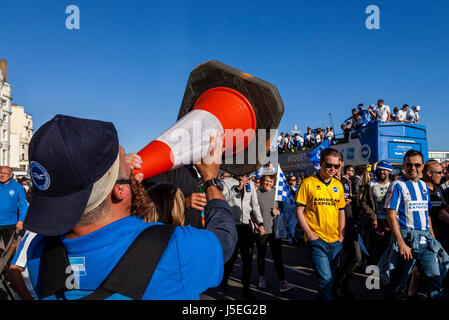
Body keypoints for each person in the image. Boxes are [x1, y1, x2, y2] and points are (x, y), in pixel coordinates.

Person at [7, 114, 237, 300]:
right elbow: (225, 239)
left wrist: (115, 176)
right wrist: (210, 180)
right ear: (120, 190)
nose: (133, 164)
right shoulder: (173, 248)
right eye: (126, 166)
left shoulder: (40, 251)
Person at [380, 150, 448, 300]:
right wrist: (401, 243)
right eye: (409, 164)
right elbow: (391, 216)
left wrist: (433, 239)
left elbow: (427, 215)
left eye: (417, 165)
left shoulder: (424, 186)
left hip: (426, 240)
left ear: (422, 166)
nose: (413, 168)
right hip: (408, 240)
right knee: (399, 284)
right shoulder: (397, 185)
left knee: (436, 281)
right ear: (404, 165)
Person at [295, 148, 346, 300]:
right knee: (326, 279)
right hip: (317, 240)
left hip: (335, 241)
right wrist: (310, 235)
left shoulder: (339, 185)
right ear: (321, 163)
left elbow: (341, 211)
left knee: (328, 281)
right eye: (329, 165)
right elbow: (299, 211)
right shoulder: (307, 183)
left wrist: (341, 236)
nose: (332, 169)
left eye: (336, 166)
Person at [220, 174, 266, 298]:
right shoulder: (227, 182)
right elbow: (222, 198)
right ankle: (224, 278)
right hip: (232, 225)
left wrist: (260, 223)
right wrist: (237, 188)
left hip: (246, 225)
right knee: (231, 257)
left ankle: (246, 287)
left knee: (247, 259)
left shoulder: (250, 184)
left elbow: (255, 205)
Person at [255, 174, 294, 292]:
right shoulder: (256, 193)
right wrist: (257, 226)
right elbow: (251, 210)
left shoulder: (276, 193)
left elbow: (282, 207)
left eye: (270, 182)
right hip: (261, 230)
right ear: (261, 181)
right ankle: (261, 278)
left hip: (275, 230)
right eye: (265, 181)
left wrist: (279, 211)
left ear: (273, 183)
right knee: (261, 255)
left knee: (277, 257)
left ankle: (283, 282)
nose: (267, 183)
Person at [335, 164, 361, 299]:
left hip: (349, 223)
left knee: (357, 256)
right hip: (334, 226)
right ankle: (337, 288)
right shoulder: (331, 183)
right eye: (331, 165)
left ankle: (341, 281)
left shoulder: (348, 182)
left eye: (337, 164)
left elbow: (351, 199)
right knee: (335, 260)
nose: (334, 167)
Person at [360, 161, 393, 265]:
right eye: (380, 170)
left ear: (389, 172)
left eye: (385, 170)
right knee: (375, 246)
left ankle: (386, 269)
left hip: (390, 221)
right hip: (376, 222)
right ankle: (373, 269)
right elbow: (363, 203)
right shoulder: (371, 185)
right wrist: (373, 217)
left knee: (389, 246)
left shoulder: (393, 185)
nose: (382, 172)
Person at [0, 166, 28, 253]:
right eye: (0, 173)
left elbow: (23, 205)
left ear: (11, 175)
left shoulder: (17, 187)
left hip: (10, 223)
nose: (2, 175)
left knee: (9, 252)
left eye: (5, 173)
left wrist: (21, 220)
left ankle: (9, 266)